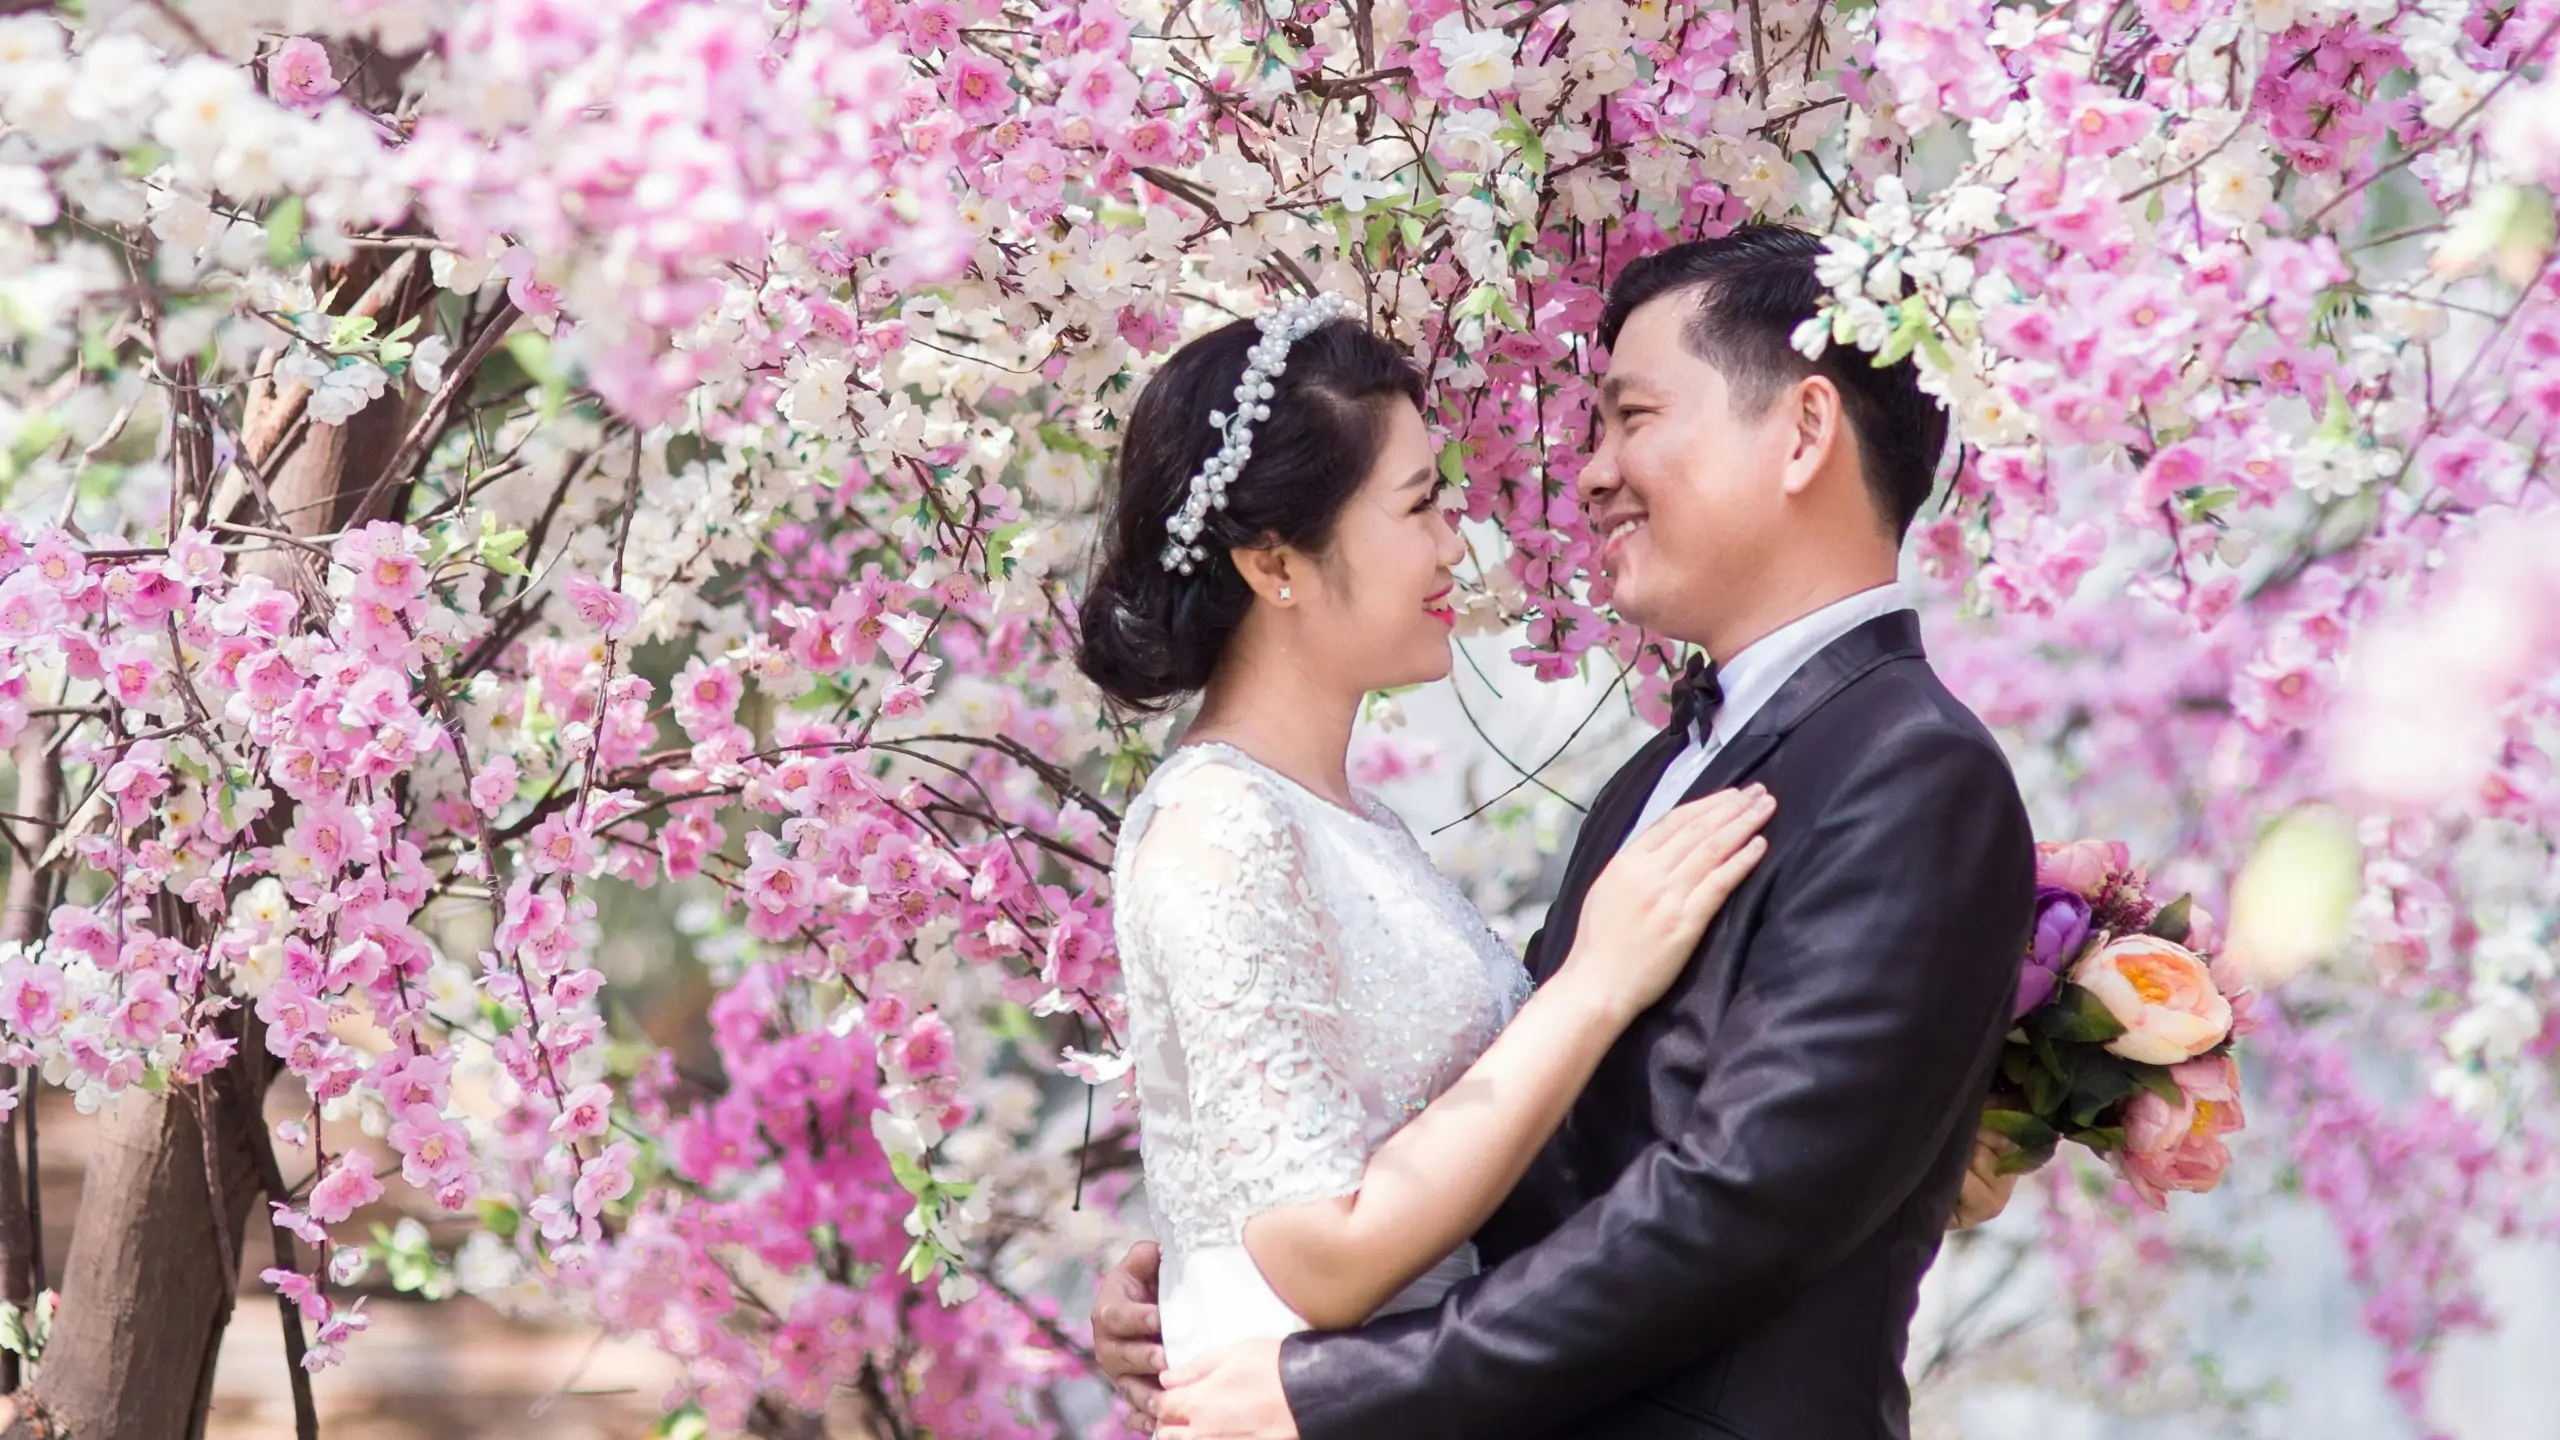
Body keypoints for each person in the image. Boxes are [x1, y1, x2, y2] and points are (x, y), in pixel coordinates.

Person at [1093, 224, 2038, 1440]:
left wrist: (1329, 1383)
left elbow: (1739, 1197)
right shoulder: (1656, 773)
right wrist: (1213, 1271)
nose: (1586, 474)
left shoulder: (1911, 771)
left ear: (1802, 431)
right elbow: (1540, 1133)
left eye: (1632, 417)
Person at [1075, 294, 1776, 1377]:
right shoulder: (1218, 824)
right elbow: (1321, 1250)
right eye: (1420, 508)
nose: (1459, 545)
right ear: (1274, 565)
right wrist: (1591, 983)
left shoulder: (1354, 823)